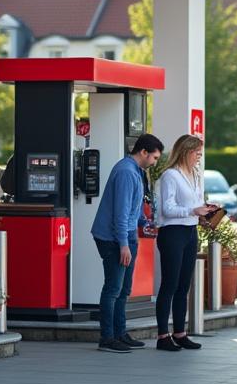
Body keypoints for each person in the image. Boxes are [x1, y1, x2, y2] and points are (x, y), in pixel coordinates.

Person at [91, 133, 164, 353]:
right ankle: (107, 338)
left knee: (124, 289)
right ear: (144, 152)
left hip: (126, 235)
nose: (155, 163)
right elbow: (120, 213)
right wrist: (123, 244)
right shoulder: (126, 172)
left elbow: (134, 207)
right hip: (113, 238)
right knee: (113, 288)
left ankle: (120, 333)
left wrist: (144, 222)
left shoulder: (136, 171)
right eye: (154, 158)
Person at [154, 135, 217, 352]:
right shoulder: (170, 175)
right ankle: (163, 336)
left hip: (190, 231)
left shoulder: (195, 174)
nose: (199, 157)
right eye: (197, 153)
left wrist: (205, 214)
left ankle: (180, 333)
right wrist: (192, 210)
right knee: (170, 284)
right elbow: (167, 208)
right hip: (172, 233)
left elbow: (195, 205)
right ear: (186, 152)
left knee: (183, 285)